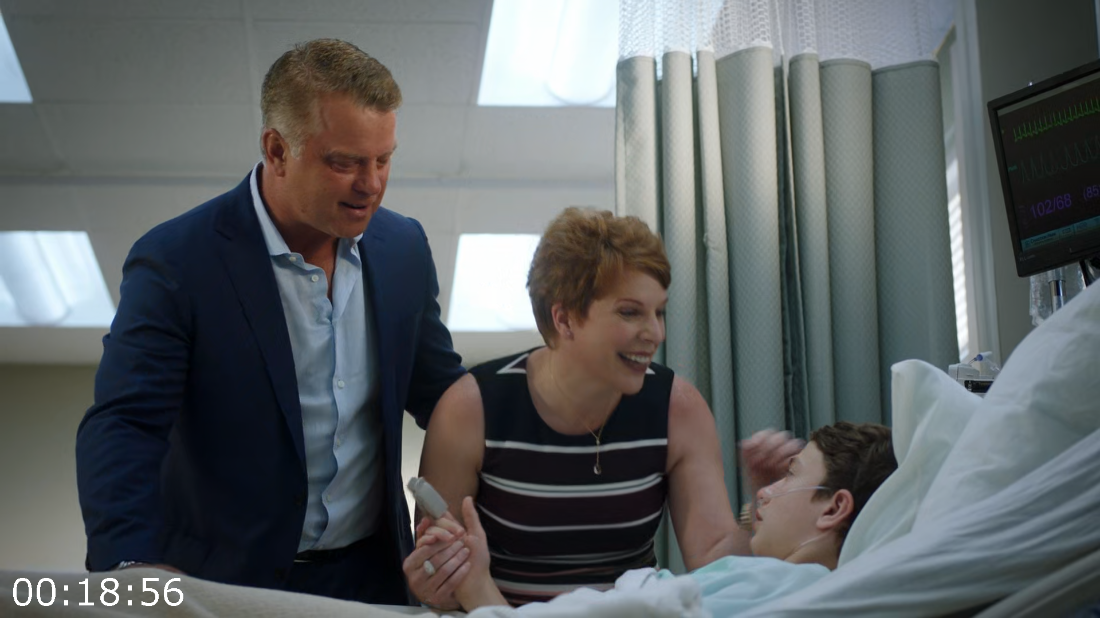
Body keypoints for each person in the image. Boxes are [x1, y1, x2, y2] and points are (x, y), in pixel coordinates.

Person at [75, 39, 465, 605]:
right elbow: (126, 424)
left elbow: (443, 392)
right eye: (345, 163)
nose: (371, 184)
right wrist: (127, 565)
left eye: (383, 160)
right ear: (277, 150)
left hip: (372, 579)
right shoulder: (178, 261)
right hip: (226, 583)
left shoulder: (404, 248)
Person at [402, 207, 804, 610]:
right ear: (564, 319)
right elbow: (445, 575)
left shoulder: (677, 409)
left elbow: (715, 559)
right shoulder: (470, 410)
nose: (655, 333)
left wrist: (769, 504)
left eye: (659, 312)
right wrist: (437, 578)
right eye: (630, 312)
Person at [451, 421, 898, 615]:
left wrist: (478, 590)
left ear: (835, 508)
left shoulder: (786, 584)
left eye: (792, 475)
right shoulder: (792, 587)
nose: (765, 491)